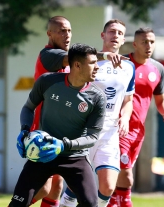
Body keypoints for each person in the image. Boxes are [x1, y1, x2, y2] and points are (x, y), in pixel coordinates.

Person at [31, 16, 130, 207]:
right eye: (61, 31)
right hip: (45, 128)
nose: (66, 34)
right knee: (44, 187)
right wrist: (105, 56)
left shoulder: (71, 63)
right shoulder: (49, 54)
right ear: (49, 33)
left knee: (57, 186)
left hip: (63, 129)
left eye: (69, 30)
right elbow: (76, 60)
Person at [8, 43, 107, 207]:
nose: (97, 67)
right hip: (43, 153)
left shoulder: (97, 97)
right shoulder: (47, 81)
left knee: (91, 204)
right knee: (17, 203)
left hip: (75, 157)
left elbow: (92, 137)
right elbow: (28, 108)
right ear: (77, 65)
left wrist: (64, 145)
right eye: (92, 63)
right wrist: (24, 130)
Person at [60, 19, 135, 207]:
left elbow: (128, 101)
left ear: (124, 39)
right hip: (84, 128)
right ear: (103, 35)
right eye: (111, 31)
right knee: (77, 185)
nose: (115, 36)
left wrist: (125, 118)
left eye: (119, 33)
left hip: (109, 131)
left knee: (108, 186)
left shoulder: (129, 67)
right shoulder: (88, 61)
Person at [107, 27, 164, 207]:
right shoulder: (122, 63)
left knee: (124, 178)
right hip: (119, 127)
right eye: (144, 42)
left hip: (138, 131)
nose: (149, 46)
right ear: (135, 44)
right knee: (125, 174)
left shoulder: (158, 68)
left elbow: (161, 101)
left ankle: (114, 202)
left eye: (152, 42)